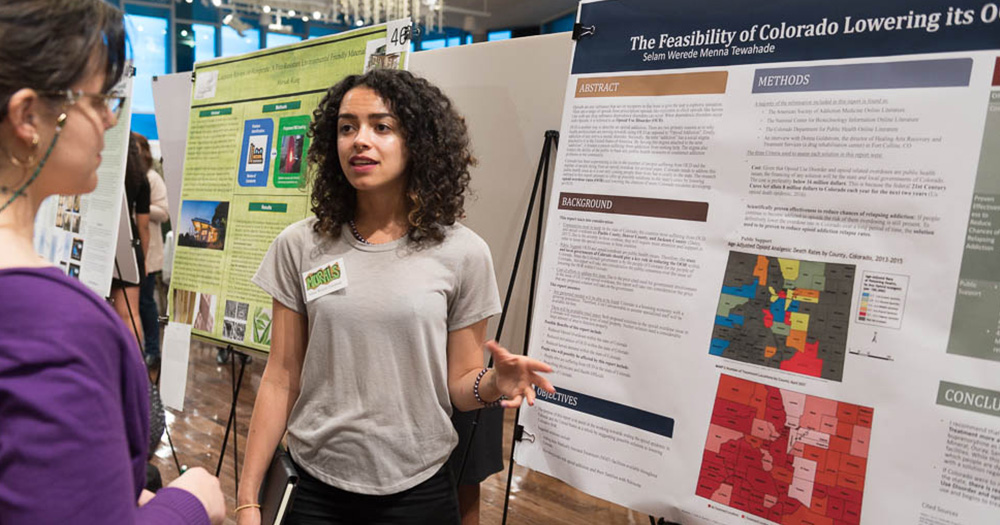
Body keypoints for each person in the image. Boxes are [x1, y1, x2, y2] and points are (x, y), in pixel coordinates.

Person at [236, 68, 555, 525]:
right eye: (347, 127)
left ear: (417, 142)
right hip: (315, 488)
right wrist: (248, 499)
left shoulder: (463, 253)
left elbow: (460, 385)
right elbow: (281, 377)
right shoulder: (300, 245)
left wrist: (492, 384)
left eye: (381, 127)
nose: (359, 141)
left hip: (418, 491)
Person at [0, 1, 225, 523]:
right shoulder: (52, 325)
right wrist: (189, 503)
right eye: (99, 99)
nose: (109, 118)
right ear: (28, 116)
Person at [110, 131, 152, 346]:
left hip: (102, 242)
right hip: (130, 245)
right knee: (130, 314)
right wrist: (143, 259)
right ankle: (135, 363)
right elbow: (143, 225)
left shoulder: (104, 174)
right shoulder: (141, 178)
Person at [135, 133, 169, 367]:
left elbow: (164, 212)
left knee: (146, 302)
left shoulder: (152, 178)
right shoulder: (128, 176)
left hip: (148, 252)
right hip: (129, 251)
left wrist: (141, 207)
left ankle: (153, 350)